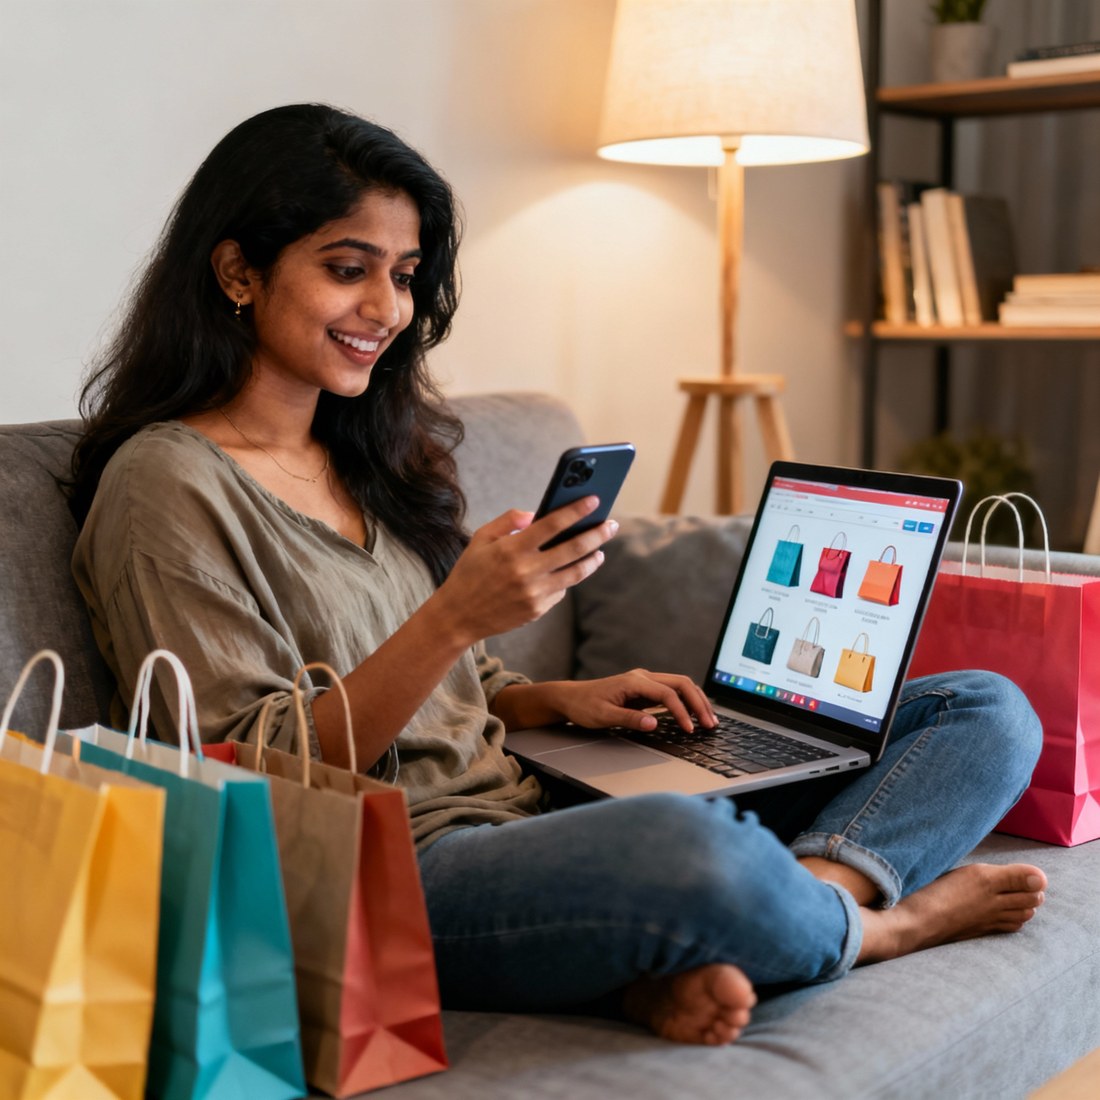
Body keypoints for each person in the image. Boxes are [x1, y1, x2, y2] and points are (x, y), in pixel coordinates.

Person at [69, 103, 1047, 1047]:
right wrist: (451, 619)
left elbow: (460, 693)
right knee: (691, 847)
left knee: (978, 709)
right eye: (346, 269)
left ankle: (772, 910)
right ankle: (874, 926)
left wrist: (556, 699)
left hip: (532, 808)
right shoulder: (167, 482)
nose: (386, 309)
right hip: (390, 871)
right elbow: (253, 771)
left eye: (405, 275)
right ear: (238, 268)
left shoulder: (361, 453)